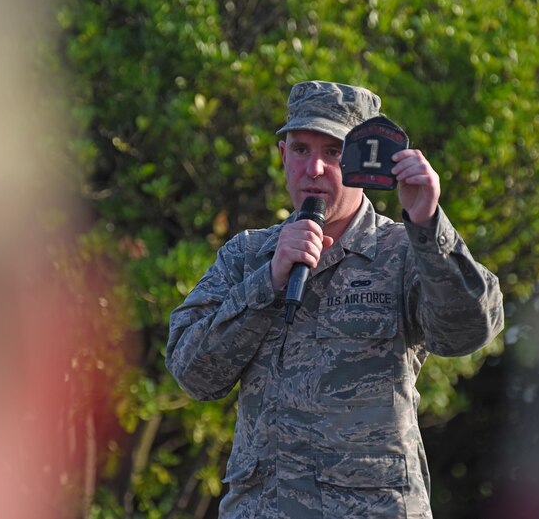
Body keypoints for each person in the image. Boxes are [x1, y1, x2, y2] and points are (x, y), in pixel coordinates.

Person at [166, 80, 504, 518]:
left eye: (334, 152)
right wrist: (268, 281)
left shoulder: (404, 251)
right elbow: (193, 373)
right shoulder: (247, 255)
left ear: (367, 163)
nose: (315, 169)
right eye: (302, 149)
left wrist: (429, 223)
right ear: (284, 157)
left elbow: (467, 332)